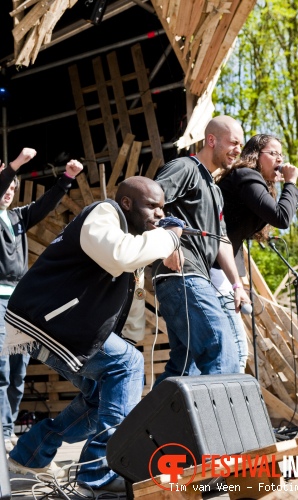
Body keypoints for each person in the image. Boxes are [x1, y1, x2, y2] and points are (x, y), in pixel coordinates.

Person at [2, 176, 182, 495]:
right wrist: (169, 238)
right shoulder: (103, 213)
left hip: (50, 324)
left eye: (163, 208)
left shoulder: (128, 231)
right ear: (127, 203)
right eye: (152, 206)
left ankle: (30, 454)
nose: (159, 214)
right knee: (127, 364)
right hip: (42, 321)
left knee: (99, 398)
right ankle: (101, 472)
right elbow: (122, 255)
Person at [152, 115, 251, 383]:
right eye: (233, 142)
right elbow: (148, 200)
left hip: (195, 278)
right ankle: (218, 427)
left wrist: (237, 285)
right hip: (181, 276)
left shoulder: (215, 191)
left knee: (185, 368)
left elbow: (221, 240)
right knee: (223, 350)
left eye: (240, 145)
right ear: (211, 140)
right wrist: (168, 243)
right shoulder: (185, 168)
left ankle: (150, 426)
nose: (237, 150)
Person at [0, 147, 83, 454]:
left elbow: (45, 205)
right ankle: (2, 430)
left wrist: (67, 179)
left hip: (19, 305)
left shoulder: (17, 218)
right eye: (5, 186)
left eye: (13, 188)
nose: (9, 192)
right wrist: (17, 164)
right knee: (1, 370)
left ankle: (7, 428)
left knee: (19, 371)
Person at [211, 133, 298, 371]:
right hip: (213, 268)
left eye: (281, 155)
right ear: (255, 155)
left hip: (222, 270)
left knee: (204, 355)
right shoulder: (245, 176)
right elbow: (281, 218)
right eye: (273, 153)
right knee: (236, 352)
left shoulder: (252, 183)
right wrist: (290, 185)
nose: (279, 160)